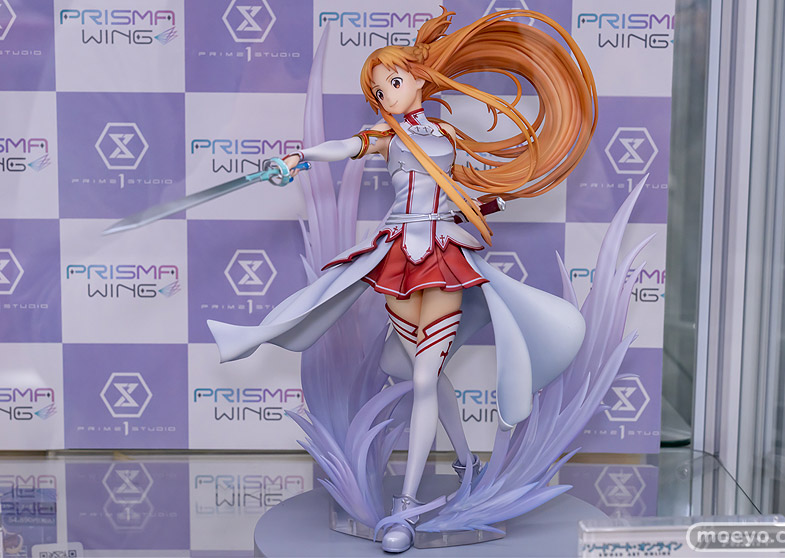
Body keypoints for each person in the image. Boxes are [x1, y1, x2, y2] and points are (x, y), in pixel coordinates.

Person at [208, 7, 596, 553]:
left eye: (392, 82)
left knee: (422, 377)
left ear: (418, 78)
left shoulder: (447, 136)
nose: (385, 95)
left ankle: (407, 506)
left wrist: (495, 198)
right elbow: (343, 148)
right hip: (397, 258)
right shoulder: (385, 136)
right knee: (417, 372)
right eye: (377, 90)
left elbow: (466, 190)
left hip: (441, 254)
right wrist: (297, 158)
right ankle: (466, 462)